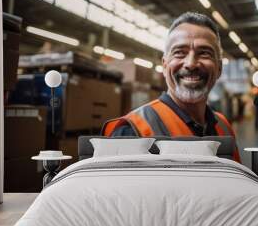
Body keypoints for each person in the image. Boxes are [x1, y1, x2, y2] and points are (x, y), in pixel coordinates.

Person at [101, 12, 241, 163]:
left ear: (219, 68)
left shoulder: (224, 127)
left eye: (204, 53)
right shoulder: (132, 132)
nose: (191, 63)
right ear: (165, 65)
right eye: (180, 53)